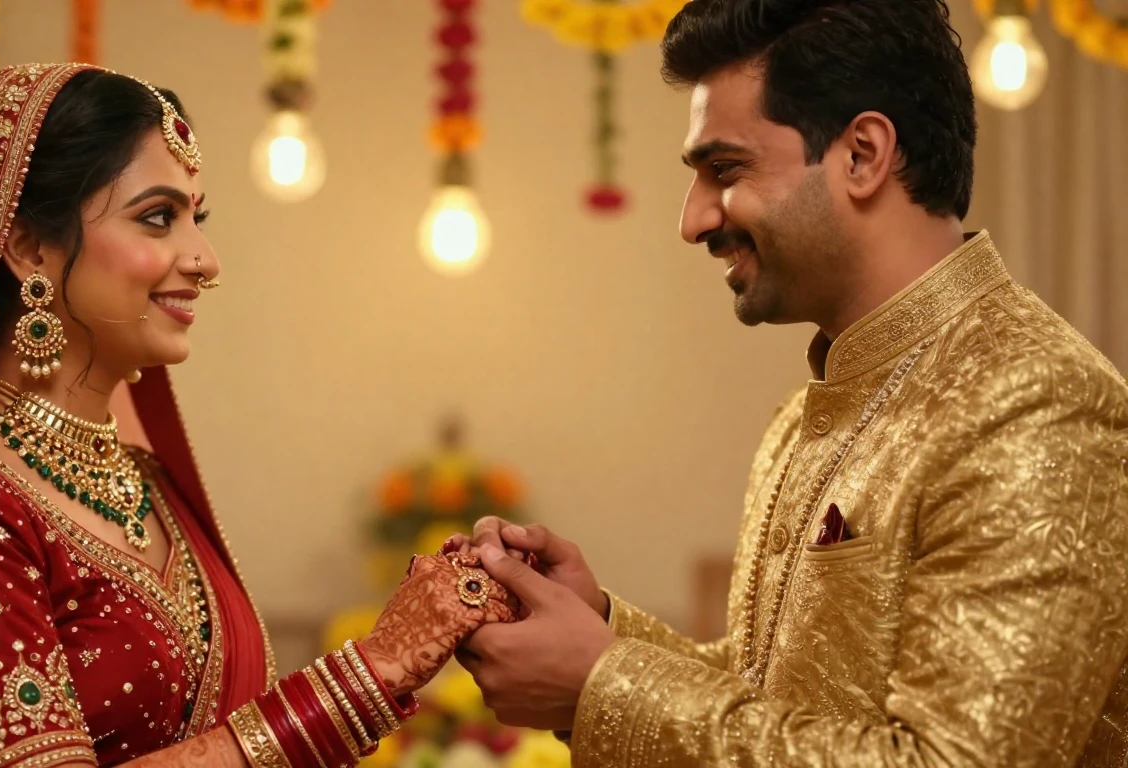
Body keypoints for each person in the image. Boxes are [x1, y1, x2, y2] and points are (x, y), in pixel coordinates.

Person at [451, 1, 1128, 766]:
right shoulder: (807, 417)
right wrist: (600, 629)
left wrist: (601, 683)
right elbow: (774, 699)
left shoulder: (1036, 404)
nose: (692, 220)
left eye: (724, 170)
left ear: (862, 155)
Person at [0, 63, 518, 768]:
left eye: (197, 218)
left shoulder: (148, 481)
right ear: (30, 249)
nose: (205, 259)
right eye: (158, 218)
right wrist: (373, 670)